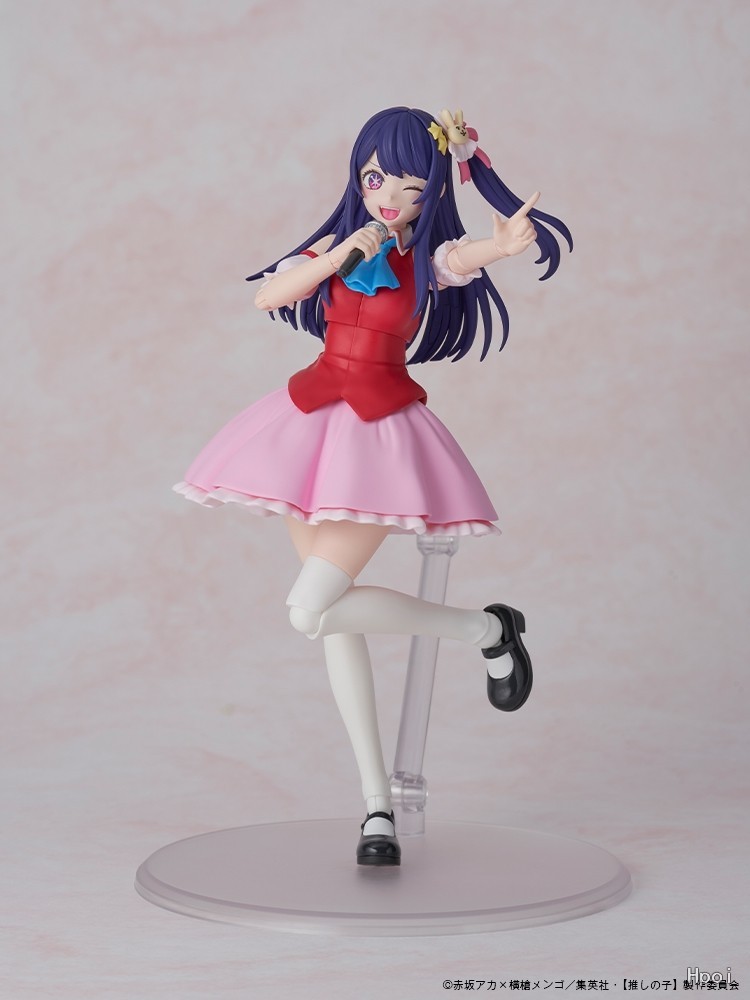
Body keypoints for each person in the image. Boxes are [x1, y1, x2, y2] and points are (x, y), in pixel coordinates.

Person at [173, 106, 572, 866]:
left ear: (432, 194)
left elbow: (466, 256)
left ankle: (485, 631)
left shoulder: (428, 259)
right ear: (359, 178)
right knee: (332, 622)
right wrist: (341, 252)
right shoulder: (337, 245)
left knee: (309, 609)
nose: (390, 196)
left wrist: (503, 245)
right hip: (309, 425)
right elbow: (268, 296)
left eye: (410, 187)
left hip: (379, 433)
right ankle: (376, 808)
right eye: (376, 178)